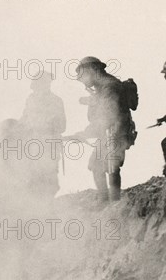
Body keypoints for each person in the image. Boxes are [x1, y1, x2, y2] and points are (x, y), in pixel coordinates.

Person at [68, 56, 137, 203]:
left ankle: (114, 202)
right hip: (109, 133)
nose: (82, 81)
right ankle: (106, 201)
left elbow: (108, 116)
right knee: (97, 165)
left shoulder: (109, 86)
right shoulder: (102, 87)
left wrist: (85, 133)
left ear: (93, 70)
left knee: (111, 166)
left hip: (115, 133)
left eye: (83, 76)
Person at [20, 71, 66, 198]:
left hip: (49, 146)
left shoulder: (56, 101)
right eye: (37, 84)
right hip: (31, 146)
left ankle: (48, 209)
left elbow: (62, 126)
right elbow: (24, 119)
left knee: (49, 181)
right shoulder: (30, 100)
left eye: (44, 83)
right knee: (31, 180)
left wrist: (45, 126)